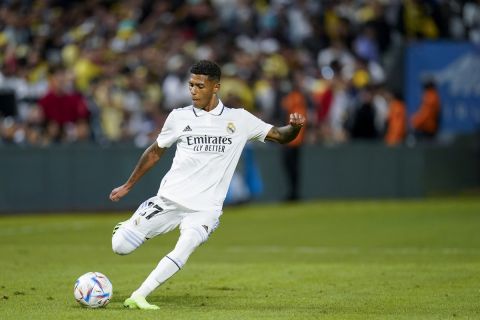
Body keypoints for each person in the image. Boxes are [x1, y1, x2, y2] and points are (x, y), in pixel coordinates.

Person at [109, 60, 305, 310]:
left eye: (200, 86)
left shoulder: (239, 119)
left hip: (206, 208)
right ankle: (125, 228)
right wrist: (128, 185)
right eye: (191, 85)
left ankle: (139, 295)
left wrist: (295, 127)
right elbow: (155, 152)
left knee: (186, 245)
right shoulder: (179, 117)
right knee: (121, 247)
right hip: (170, 199)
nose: (193, 90)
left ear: (216, 87)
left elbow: (280, 135)